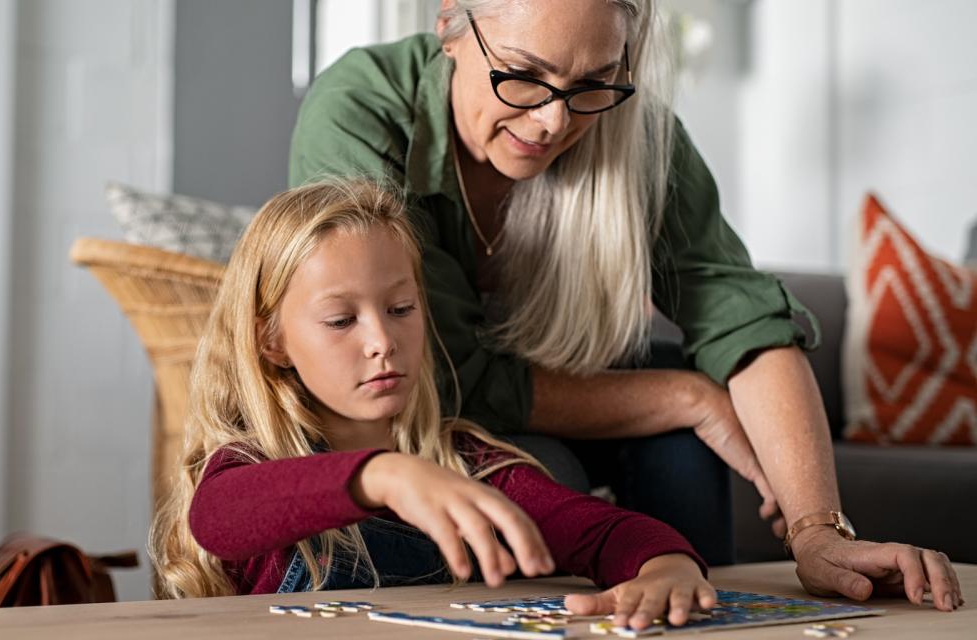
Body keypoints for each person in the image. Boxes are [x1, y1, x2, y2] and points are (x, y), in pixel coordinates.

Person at [288, 0, 963, 610]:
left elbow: (744, 320)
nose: (553, 122)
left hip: (555, 378)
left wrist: (818, 533)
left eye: (591, 85)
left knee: (676, 450)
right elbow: (433, 374)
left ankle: (702, 608)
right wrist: (688, 397)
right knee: (551, 464)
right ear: (450, 27)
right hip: (420, 420)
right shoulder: (358, 107)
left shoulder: (637, 132)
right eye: (522, 74)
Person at [149, 179, 716, 632]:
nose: (382, 341)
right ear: (271, 340)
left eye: (400, 308)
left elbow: (601, 532)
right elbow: (217, 517)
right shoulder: (248, 468)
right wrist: (382, 476)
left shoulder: (470, 463)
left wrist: (667, 566)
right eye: (342, 320)